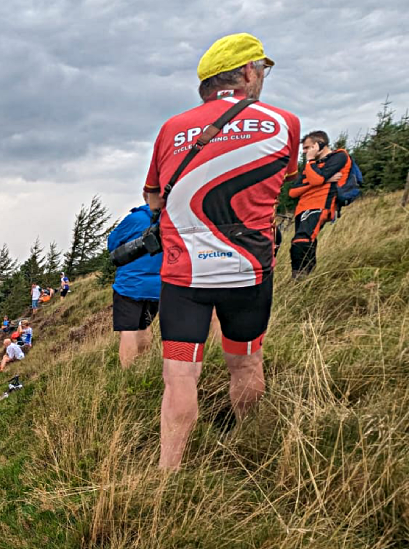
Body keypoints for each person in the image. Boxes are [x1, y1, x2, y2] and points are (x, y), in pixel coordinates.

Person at [143, 33, 300, 469]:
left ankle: (166, 476)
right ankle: (248, 447)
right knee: (246, 364)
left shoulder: (172, 129)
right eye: (263, 70)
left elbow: (154, 200)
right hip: (248, 274)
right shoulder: (284, 122)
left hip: (184, 278)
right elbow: (281, 181)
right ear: (249, 72)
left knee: (179, 378)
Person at [106, 194, 162, 368]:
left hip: (129, 285)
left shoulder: (134, 218)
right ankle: (143, 368)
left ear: (147, 197)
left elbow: (112, 243)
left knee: (128, 330)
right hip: (157, 286)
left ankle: (128, 372)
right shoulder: (168, 220)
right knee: (145, 326)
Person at [288, 130, 350, 279]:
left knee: (302, 240)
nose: (304, 152)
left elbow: (316, 180)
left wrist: (311, 164)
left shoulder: (339, 156)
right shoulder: (312, 166)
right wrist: (323, 180)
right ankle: (307, 278)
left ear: (319, 144)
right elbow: (293, 192)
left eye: (307, 147)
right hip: (302, 208)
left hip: (320, 205)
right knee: (304, 241)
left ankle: (300, 279)